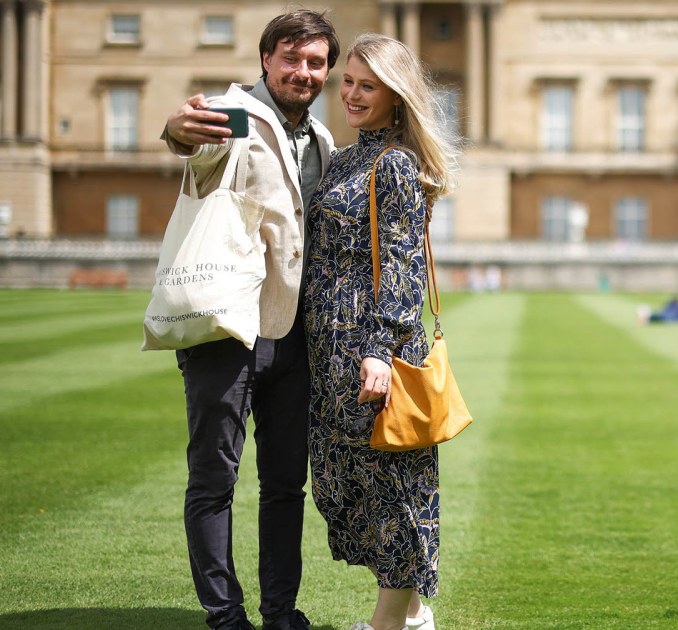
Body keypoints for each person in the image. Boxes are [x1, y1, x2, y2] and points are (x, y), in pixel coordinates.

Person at [160, 10, 339, 630]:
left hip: (291, 334)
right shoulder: (232, 111)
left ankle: (280, 611)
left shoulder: (320, 139)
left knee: (287, 485)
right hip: (227, 329)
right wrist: (177, 129)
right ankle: (224, 615)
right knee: (214, 477)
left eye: (315, 62)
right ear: (266, 59)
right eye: (291, 59)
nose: (303, 72)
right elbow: (195, 138)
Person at [303, 33, 458, 630]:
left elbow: (401, 261)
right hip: (328, 354)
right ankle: (416, 615)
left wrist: (379, 350)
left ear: (396, 96)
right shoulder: (345, 160)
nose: (352, 95)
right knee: (347, 491)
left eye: (368, 86)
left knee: (390, 493)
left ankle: (387, 623)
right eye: (348, 81)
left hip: (371, 354)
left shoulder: (394, 164)